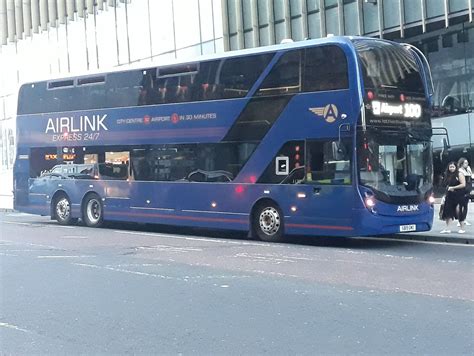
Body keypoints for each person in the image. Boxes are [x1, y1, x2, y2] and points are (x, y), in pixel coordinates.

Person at [440, 162, 465, 234]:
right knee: (448, 211)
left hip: (458, 195)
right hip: (449, 195)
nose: (451, 168)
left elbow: (463, 184)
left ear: (455, 167)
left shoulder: (459, 174)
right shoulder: (447, 175)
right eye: (450, 167)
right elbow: (446, 186)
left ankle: (462, 228)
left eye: (453, 167)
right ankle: (448, 228)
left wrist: (454, 187)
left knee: (458, 211)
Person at [457, 157, 472, 230]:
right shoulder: (460, 171)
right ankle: (460, 220)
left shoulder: (468, 169)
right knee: (461, 206)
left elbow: (470, 178)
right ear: (462, 163)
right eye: (465, 163)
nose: (467, 164)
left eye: (467, 163)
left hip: (468, 189)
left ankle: (464, 219)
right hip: (462, 190)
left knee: (465, 206)